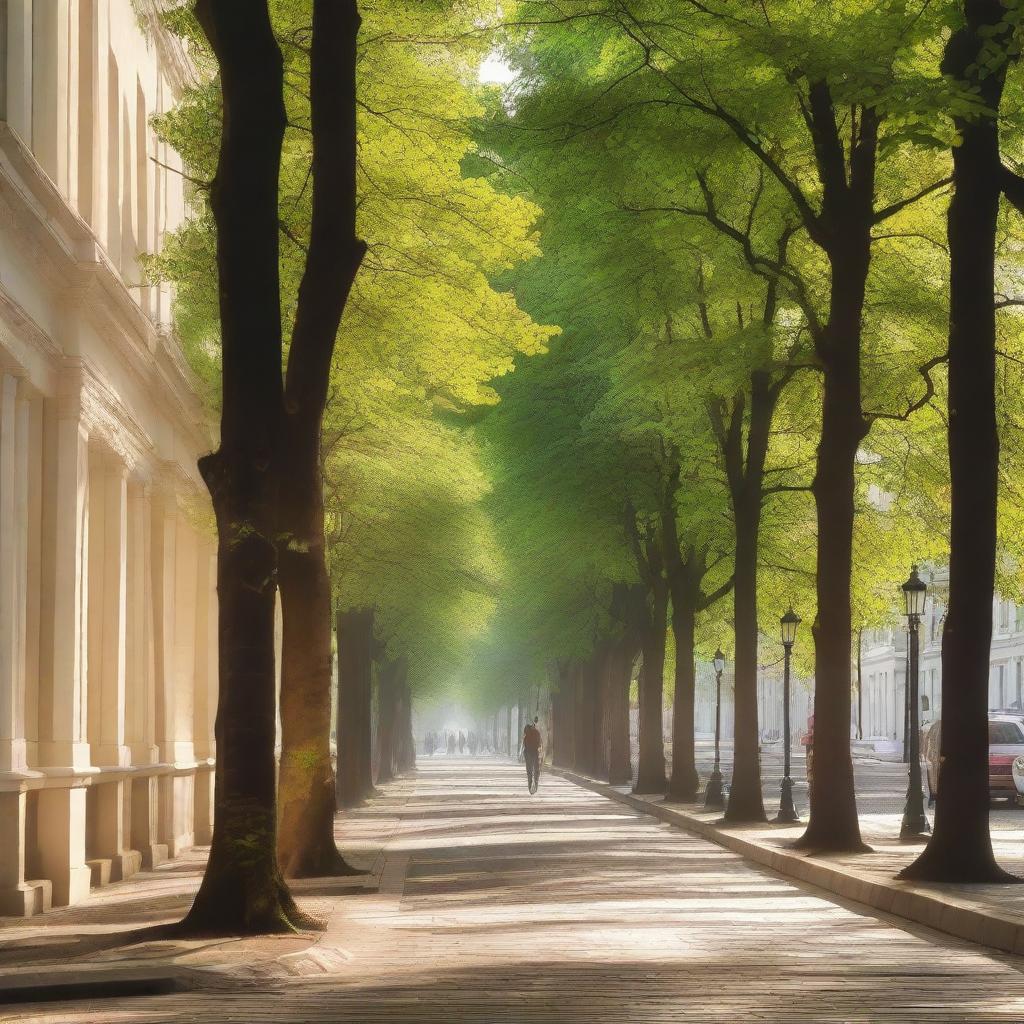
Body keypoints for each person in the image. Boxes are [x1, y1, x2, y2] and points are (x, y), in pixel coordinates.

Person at [522, 717, 542, 793]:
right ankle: (535, 785)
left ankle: (530, 785)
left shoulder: (526, 733)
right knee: (536, 769)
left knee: (529, 770)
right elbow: (539, 745)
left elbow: (524, 743)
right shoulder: (537, 733)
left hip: (528, 753)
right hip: (534, 753)